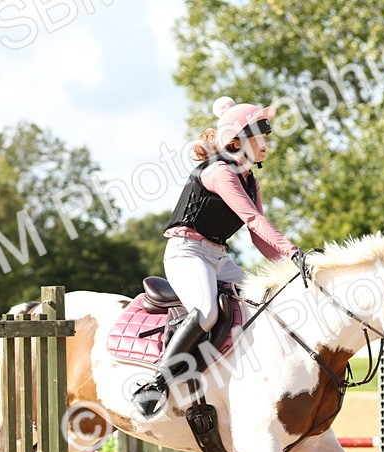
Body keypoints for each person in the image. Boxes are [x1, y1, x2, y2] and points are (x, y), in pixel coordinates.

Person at [132, 96, 309, 418]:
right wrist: (294, 252)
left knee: (264, 303)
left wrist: (291, 269)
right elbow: (254, 220)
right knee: (207, 311)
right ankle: (156, 382)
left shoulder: (249, 179)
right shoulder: (220, 172)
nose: (266, 142)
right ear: (238, 141)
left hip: (217, 257)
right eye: (261, 136)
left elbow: (258, 237)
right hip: (187, 253)